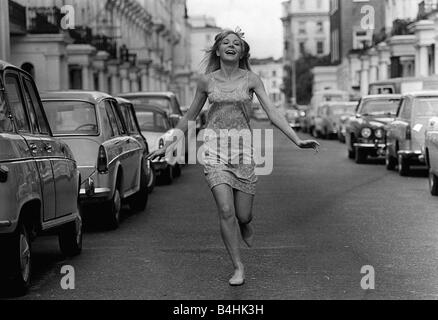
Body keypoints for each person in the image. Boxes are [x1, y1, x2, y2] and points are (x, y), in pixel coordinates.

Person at [148, 29, 320, 286]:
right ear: (218, 50)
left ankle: (246, 223)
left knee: (242, 214)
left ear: (242, 52)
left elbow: (272, 113)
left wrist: (296, 140)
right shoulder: (206, 81)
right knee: (225, 210)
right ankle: (238, 267)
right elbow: (190, 117)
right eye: (226, 43)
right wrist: (169, 144)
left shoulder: (251, 79)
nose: (231, 46)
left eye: (236, 43)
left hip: (244, 152)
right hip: (214, 151)